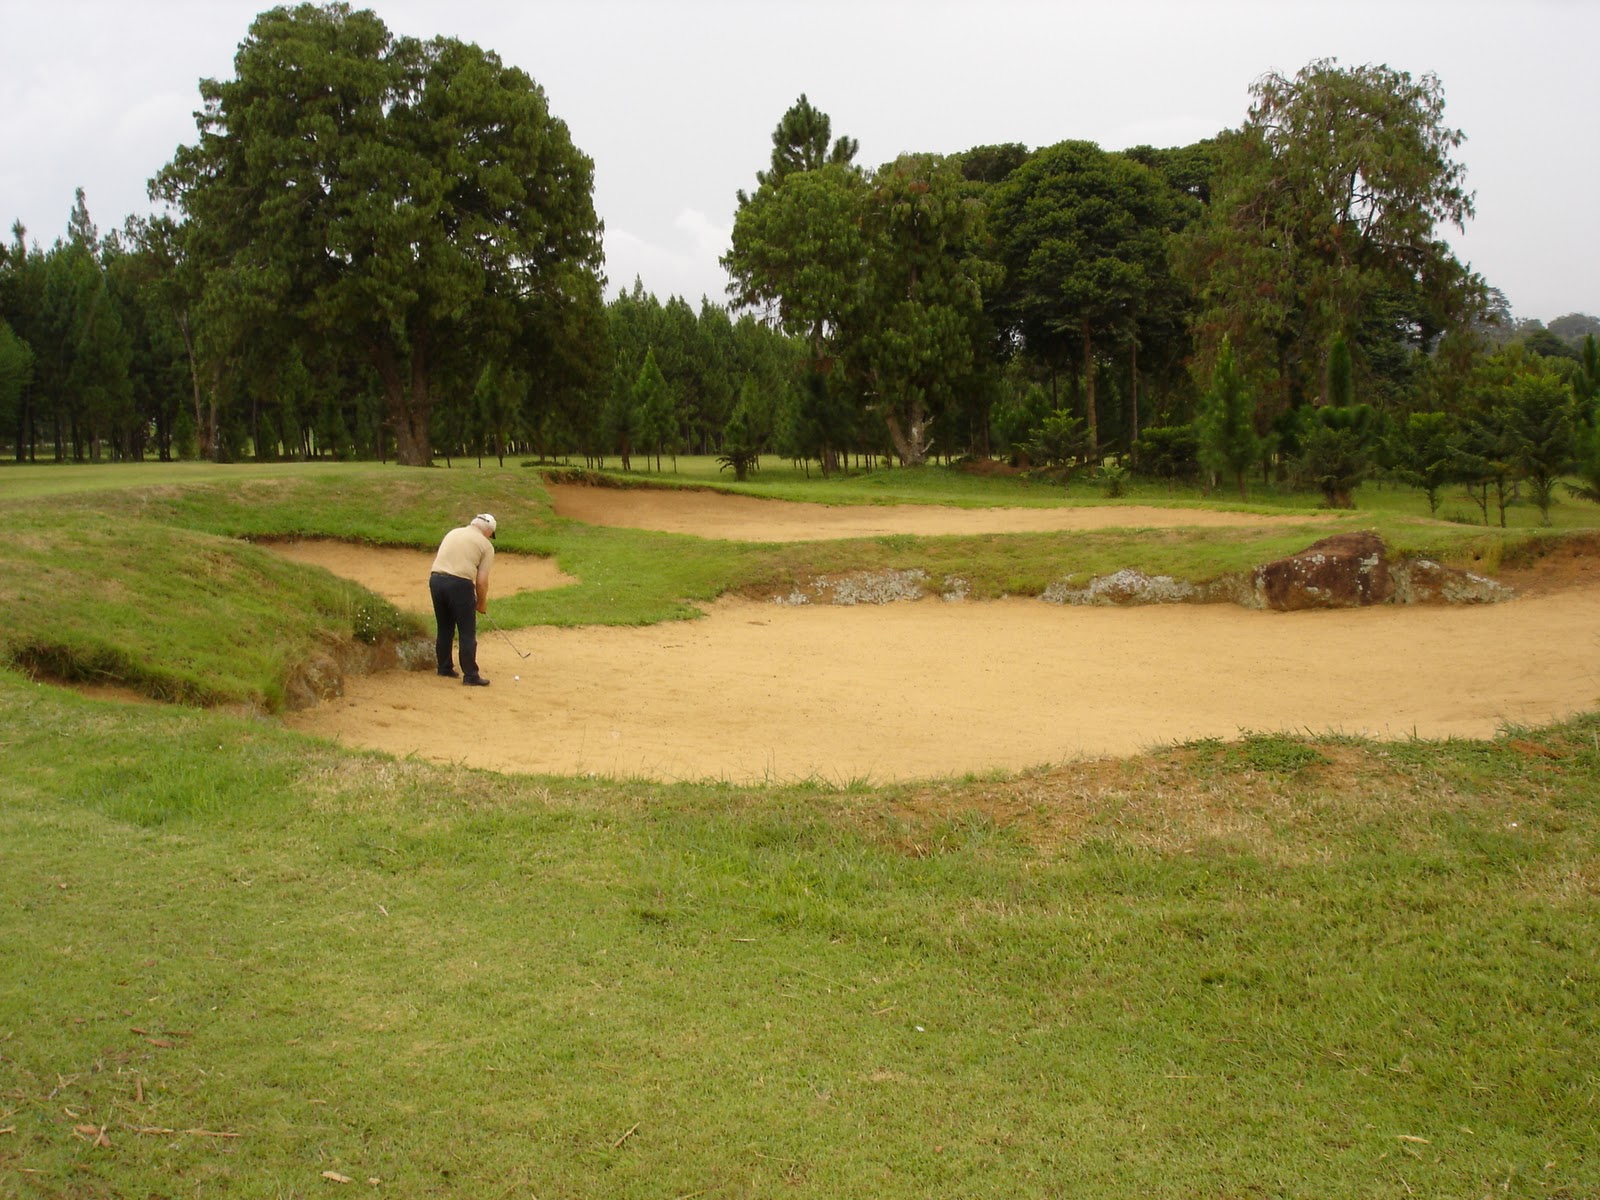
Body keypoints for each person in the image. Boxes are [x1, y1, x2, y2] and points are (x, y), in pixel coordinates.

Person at [429, 513, 496, 686]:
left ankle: (444, 668)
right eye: (491, 534)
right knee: (467, 631)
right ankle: (471, 675)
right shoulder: (486, 546)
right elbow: (481, 582)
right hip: (459, 584)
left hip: (436, 580)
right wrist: (481, 603)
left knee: (444, 627)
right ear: (488, 531)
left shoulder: (453, 532)